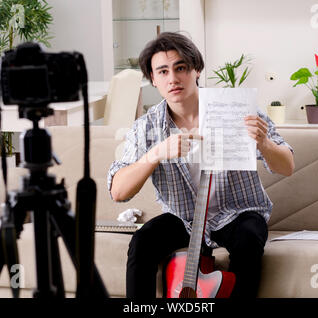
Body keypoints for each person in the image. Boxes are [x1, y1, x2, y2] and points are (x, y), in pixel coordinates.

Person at [107, 32, 294, 298]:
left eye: (180, 67)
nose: (172, 78)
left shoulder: (237, 110)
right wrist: (156, 153)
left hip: (237, 212)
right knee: (143, 241)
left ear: (196, 70)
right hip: (183, 218)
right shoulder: (147, 126)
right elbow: (118, 192)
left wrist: (264, 143)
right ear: (153, 80)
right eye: (162, 71)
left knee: (249, 238)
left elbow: (287, 166)